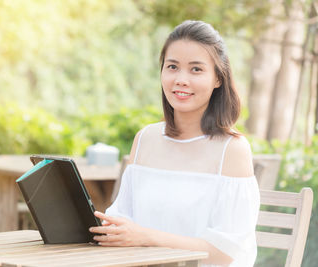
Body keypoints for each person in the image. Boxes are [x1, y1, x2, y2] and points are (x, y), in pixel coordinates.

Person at [89, 20, 260, 267]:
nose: (181, 79)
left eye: (196, 70)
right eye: (172, 67)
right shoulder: (145, 138)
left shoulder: (232, 149)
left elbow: (225, 252)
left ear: (218, 79)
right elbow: (121, 217)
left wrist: (145, 237)